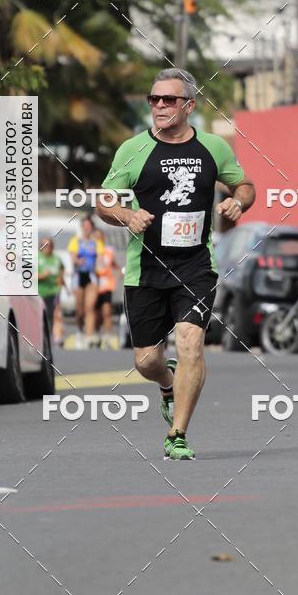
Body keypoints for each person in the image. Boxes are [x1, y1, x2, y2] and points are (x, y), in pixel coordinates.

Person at [97, 68, 255, 460]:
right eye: (154, 100)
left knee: (190, 342)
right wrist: (126, 216)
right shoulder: (131, 150)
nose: (160, 106)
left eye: (169, 100)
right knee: (146, 359)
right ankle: (166, 383)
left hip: (196, 265)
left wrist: (239, 201)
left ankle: (177, 434)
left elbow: (245, 184)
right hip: (145, 267)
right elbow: (104, 201)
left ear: (189, 106)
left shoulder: (214, 148)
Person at [68, 215, 101, 349]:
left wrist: (100, 267)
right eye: (85, 226)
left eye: (89, 226)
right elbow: (72, 256)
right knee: (80, 310)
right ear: (82, 228)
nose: (87, 229)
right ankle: (80, 330)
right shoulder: (76, 240)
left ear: (92, 228)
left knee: (90, 308)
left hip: (91, 276)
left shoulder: (96, 242)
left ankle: (89, 336)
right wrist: (78, 261)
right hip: (78, 276)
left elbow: (100, 258)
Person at [94, 229, 120, 350]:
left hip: (106, 285)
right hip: (94, 285)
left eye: (100, 237)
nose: (98, 239)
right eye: (96, 237)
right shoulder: (91, 250)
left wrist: (119, 271)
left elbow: (113, 263)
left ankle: (108, 337)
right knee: (96, 314)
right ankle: (95, 335)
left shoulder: (109, 250)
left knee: (107, 312)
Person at [38, 238, 65, 345]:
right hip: (39, 292)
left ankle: (55, 337)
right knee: (40, 316)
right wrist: (42, 276)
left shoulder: (56, 259)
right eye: (44, 245)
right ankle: (40, 336)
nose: (47, 248)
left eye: (49, 246)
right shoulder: (36, 258)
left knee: (54, 314)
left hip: (53, 291)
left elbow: (62, 271)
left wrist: (60, 280)